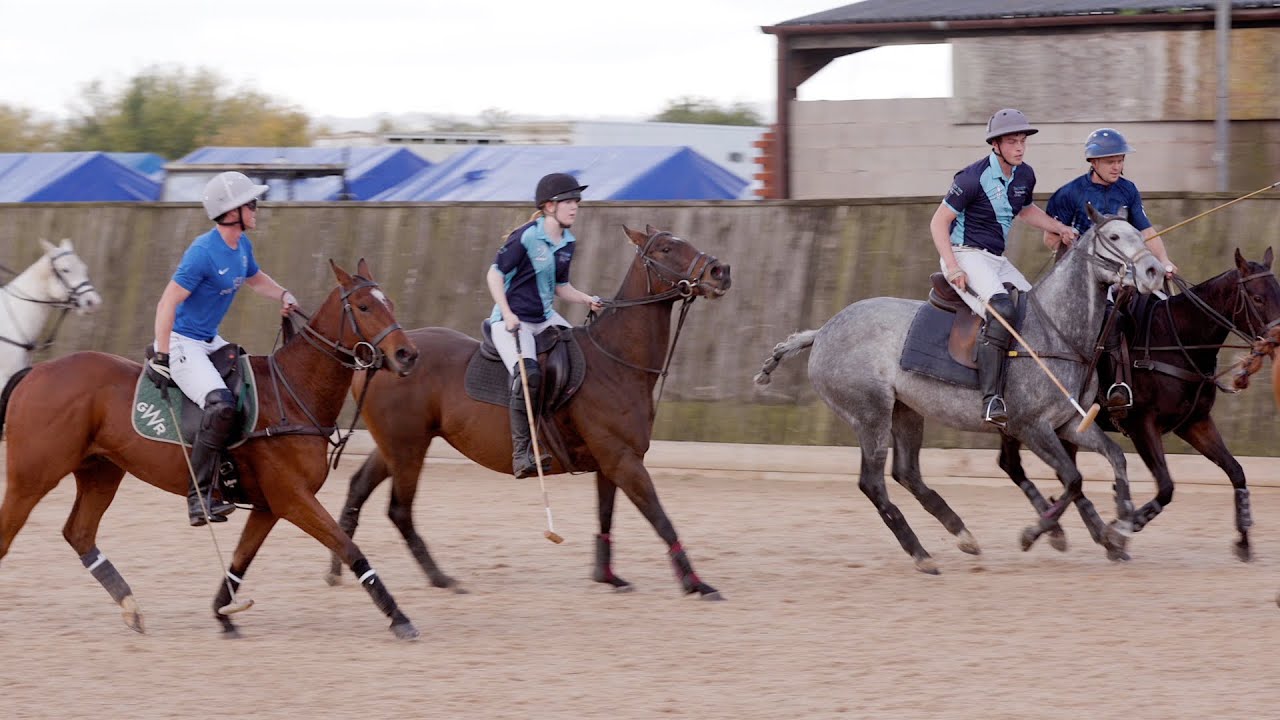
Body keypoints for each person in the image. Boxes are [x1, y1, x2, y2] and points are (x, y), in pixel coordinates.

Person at [148, 171, 298, 526]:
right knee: (220, 405)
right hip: (183, 342)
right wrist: (163, 356)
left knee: (250, 389)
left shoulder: (242, 246)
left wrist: (283, 294)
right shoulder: (202, 252)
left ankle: (233, 471)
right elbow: (167, 302)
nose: (256, 209)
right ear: (232, 212)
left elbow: (255, 279)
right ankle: (199, 497)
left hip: (210, 339)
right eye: (251, 204)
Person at [930, 108, 1080, 427]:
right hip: (965, 254)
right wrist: (953, 267)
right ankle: (991, 399)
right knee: (1001, 311)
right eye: (1012, 141)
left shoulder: (1024, 175)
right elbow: (938, 222)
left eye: (1022, 140)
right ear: (995, 144)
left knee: (1038, 310)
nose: (1020, 147)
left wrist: (1059, 227)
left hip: (996, 259)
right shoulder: (971, 178)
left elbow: (1025, 210)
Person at [1042, 128, 1178, 411]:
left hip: (1119, 275)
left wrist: (1163, 261)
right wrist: (1065, 236)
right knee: (1112, 320)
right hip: (1081, 281)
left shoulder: (1128, 190)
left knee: (1153, 308)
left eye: (1120, 160)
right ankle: (1113, 385)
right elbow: (1049, 240)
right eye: (1110, 161)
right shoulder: (1069, 194)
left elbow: (1147, 231)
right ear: (1093, 162)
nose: (1117, 166)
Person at [486, 172, 603, 478]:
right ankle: (522, 452)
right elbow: (494, 275)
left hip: (544, 317)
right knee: (529, 376)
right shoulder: (526, 236)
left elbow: (561, 286)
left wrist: (586, 299)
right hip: (513, 321)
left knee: (582, 357)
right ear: (549, 206)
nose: (575, 206)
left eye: (577, 201)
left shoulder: (567, 242)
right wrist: (507, 313)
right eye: (568, 201)